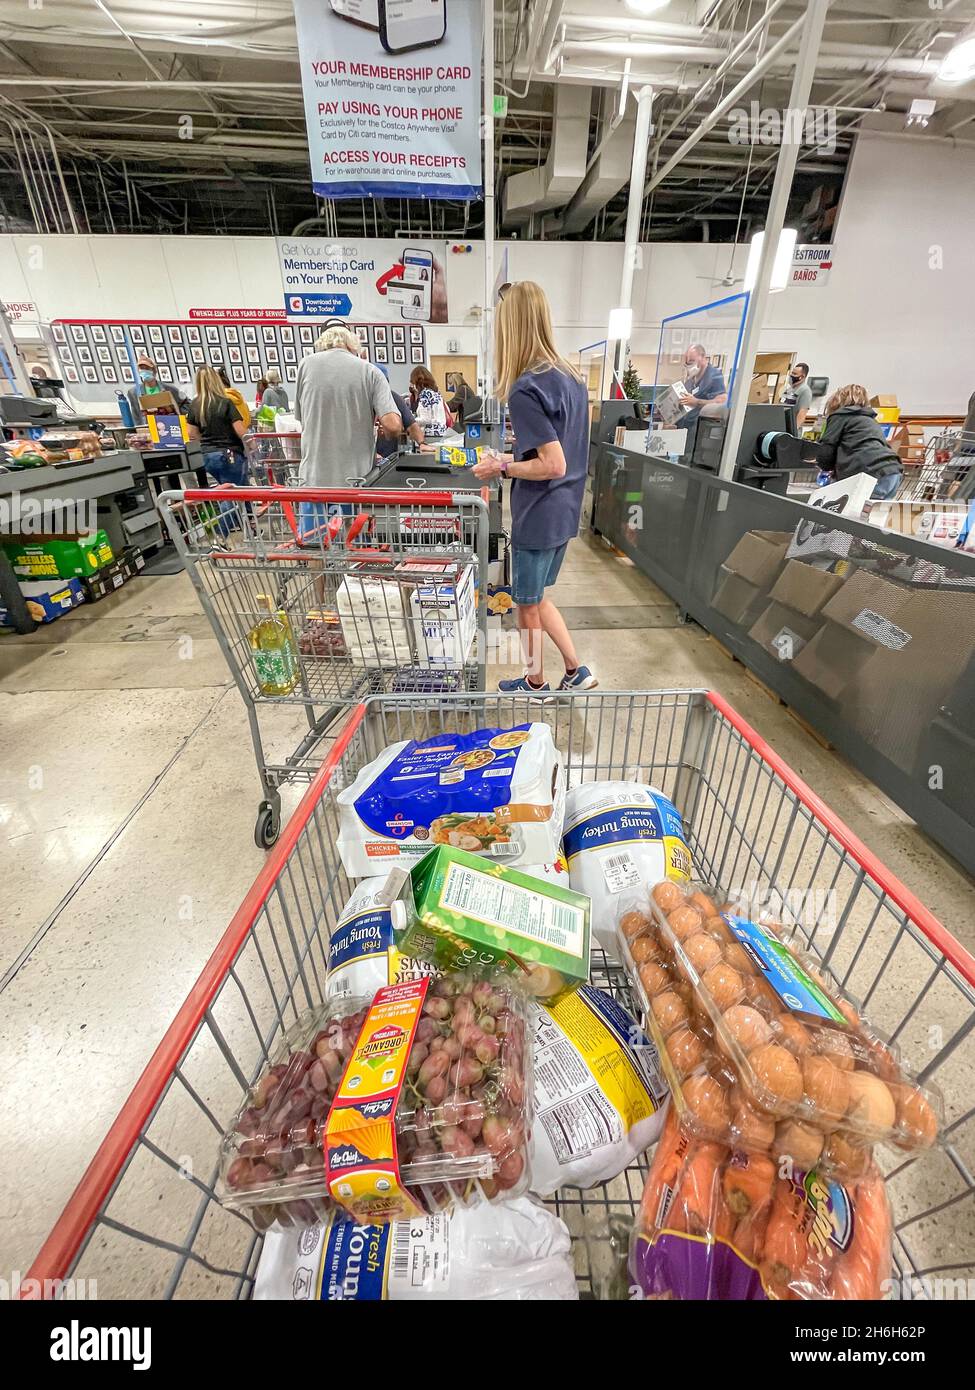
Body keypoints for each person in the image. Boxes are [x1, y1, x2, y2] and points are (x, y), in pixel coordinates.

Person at [473, 280, 597, 694]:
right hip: (565, 511)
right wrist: (512, 456)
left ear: (511, 327)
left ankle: (535, 681)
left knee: (525, 604)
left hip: (539, 512)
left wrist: (503, 468)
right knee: (538, 596)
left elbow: (551, 463)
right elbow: (563, 449)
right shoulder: (572, 378)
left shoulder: (526, 387)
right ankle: (576, 670)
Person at [295, 324, 401, 533]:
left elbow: (302, 418)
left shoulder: (305, 365)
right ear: (354, 347)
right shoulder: (369, 370)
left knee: (315, 549)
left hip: (314, 480)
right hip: (355, 482)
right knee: (356, 553)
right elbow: (393, 425)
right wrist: (382, 427)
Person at [185, 365, 248, 534]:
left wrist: (206, 441)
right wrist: (254, 445)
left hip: (207, 456)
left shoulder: (195, 405)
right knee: (231, 495)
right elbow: (241, 431)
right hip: (229, 454)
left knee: (227, 490)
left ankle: (248, 526)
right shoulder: (225, 403)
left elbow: (192, 433)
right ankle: (221, 536)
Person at [816, 384, 903, 499]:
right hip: (893, 472)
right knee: (873, 515)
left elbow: (826, 452)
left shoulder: (840, 416)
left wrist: (824, 466)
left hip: (870, 475)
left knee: (851, 514)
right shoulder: (870, 420)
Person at [126, 354, 190, 427]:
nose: (144, 371)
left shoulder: (169, 388)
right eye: (141, 369)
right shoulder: (134, 392)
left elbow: (187, 403)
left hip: (169, 425)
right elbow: (136, 415)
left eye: (147, 368)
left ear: (153, 370)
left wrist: (174, 411)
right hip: (148, 427)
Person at [375, 365, 423, 459]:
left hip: (389, 457)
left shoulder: (393, 397)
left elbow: (411, 424)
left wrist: (422, 443)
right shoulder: (360, 400)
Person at [409, 366, 449, 437]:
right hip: (441, 432)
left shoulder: (425, 394)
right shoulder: (436, 393)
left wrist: (411, 420)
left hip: (430, 434)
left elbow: (425, 419)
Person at [783, 361, 813, 429]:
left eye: (794, 374)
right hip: (783, 426)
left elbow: (802, 413)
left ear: (802, 377)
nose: (791, 375)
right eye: (792, 373)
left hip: (790, 429)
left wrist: (793, 431)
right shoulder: (790, 389)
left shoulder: (805, 391)